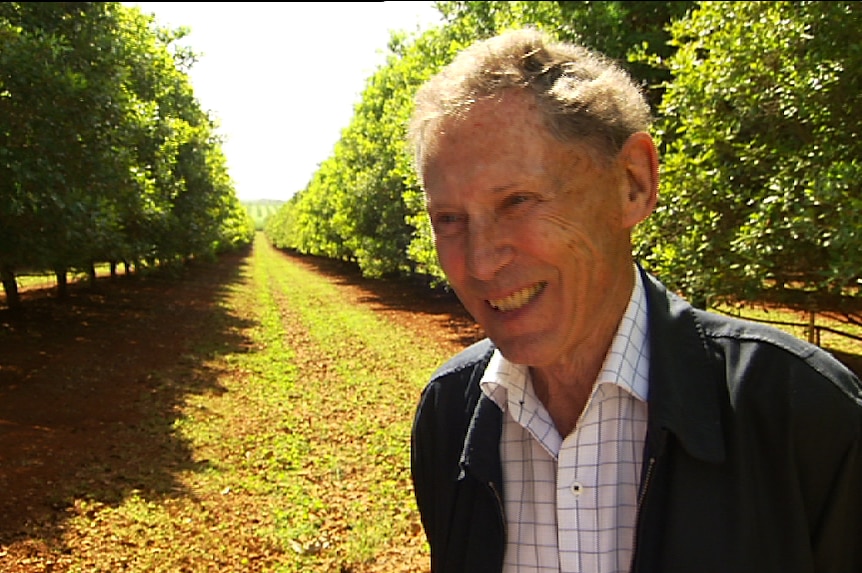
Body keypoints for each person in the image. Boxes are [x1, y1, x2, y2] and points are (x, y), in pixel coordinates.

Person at [407, 27, 862, 573]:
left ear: (633, 183)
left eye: (517, 201)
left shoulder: (802, 412)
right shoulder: (448, 414)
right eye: (450, 220)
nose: (479, 263)